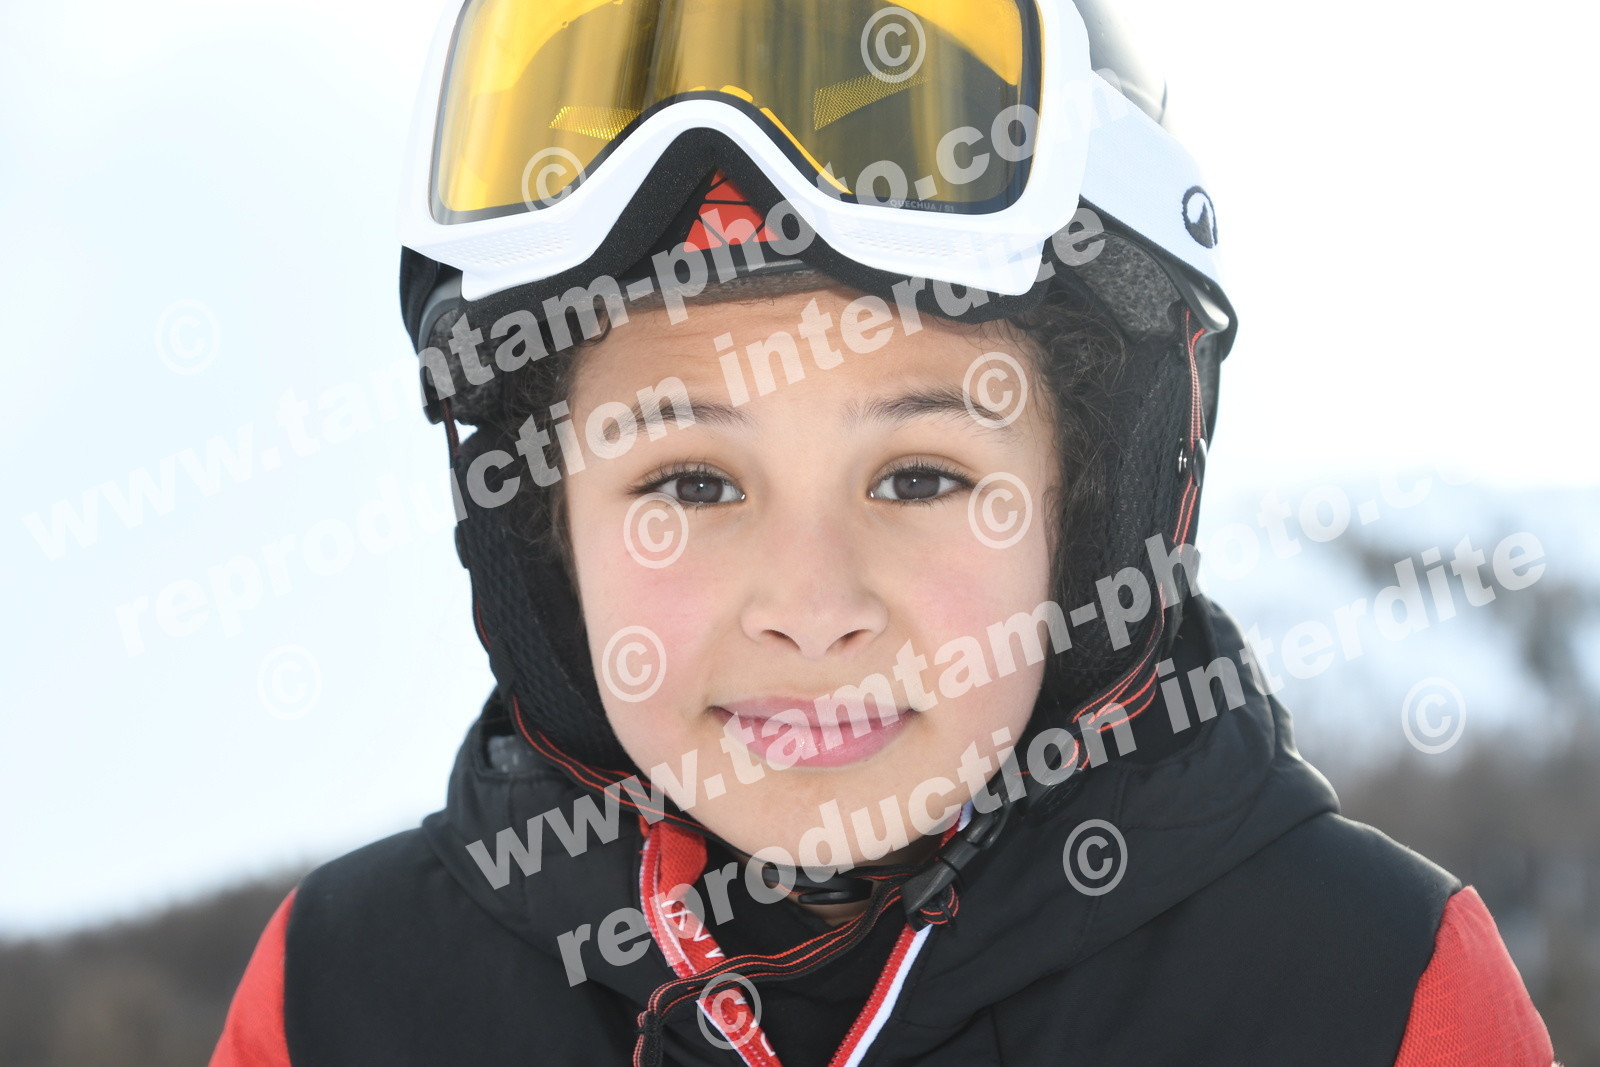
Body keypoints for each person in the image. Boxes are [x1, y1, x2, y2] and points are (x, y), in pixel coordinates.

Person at [213, 2, 1556, 1064]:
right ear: (543, 529)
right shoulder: (342, 996)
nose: (810, 607)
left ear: (1095, 511)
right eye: (691, 484)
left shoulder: (1369, 991)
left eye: (918, 477)